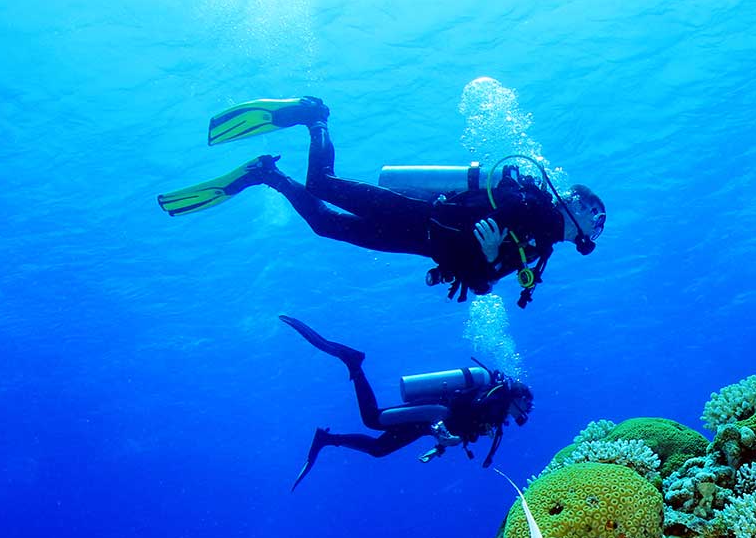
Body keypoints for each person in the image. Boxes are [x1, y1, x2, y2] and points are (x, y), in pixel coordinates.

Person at [158, 97, 605, 307]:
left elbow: (483, 283)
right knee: (323, 184)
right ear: (576, 205)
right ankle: (316, 118)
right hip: (418, 214)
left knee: (325, 225)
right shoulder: (531, 202)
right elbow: (486, 207)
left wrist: (489, 255)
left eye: (597, 223)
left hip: (420, 244)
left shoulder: (539, 251)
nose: (595, 225)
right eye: (595, 214)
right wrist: (489, 242)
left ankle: (267, 174)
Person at [280, 315, 533, 490]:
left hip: (427, 425)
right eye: (525, 406)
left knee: (378, 450)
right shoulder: (495, 399)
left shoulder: (497, 409)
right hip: (433, 412)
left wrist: (440, 446)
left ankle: (327, 439)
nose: (523, 413)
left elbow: (462, 426)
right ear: (518, 397)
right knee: (373, 419)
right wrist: (445, 435)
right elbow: (461, 413)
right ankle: (353, 362)